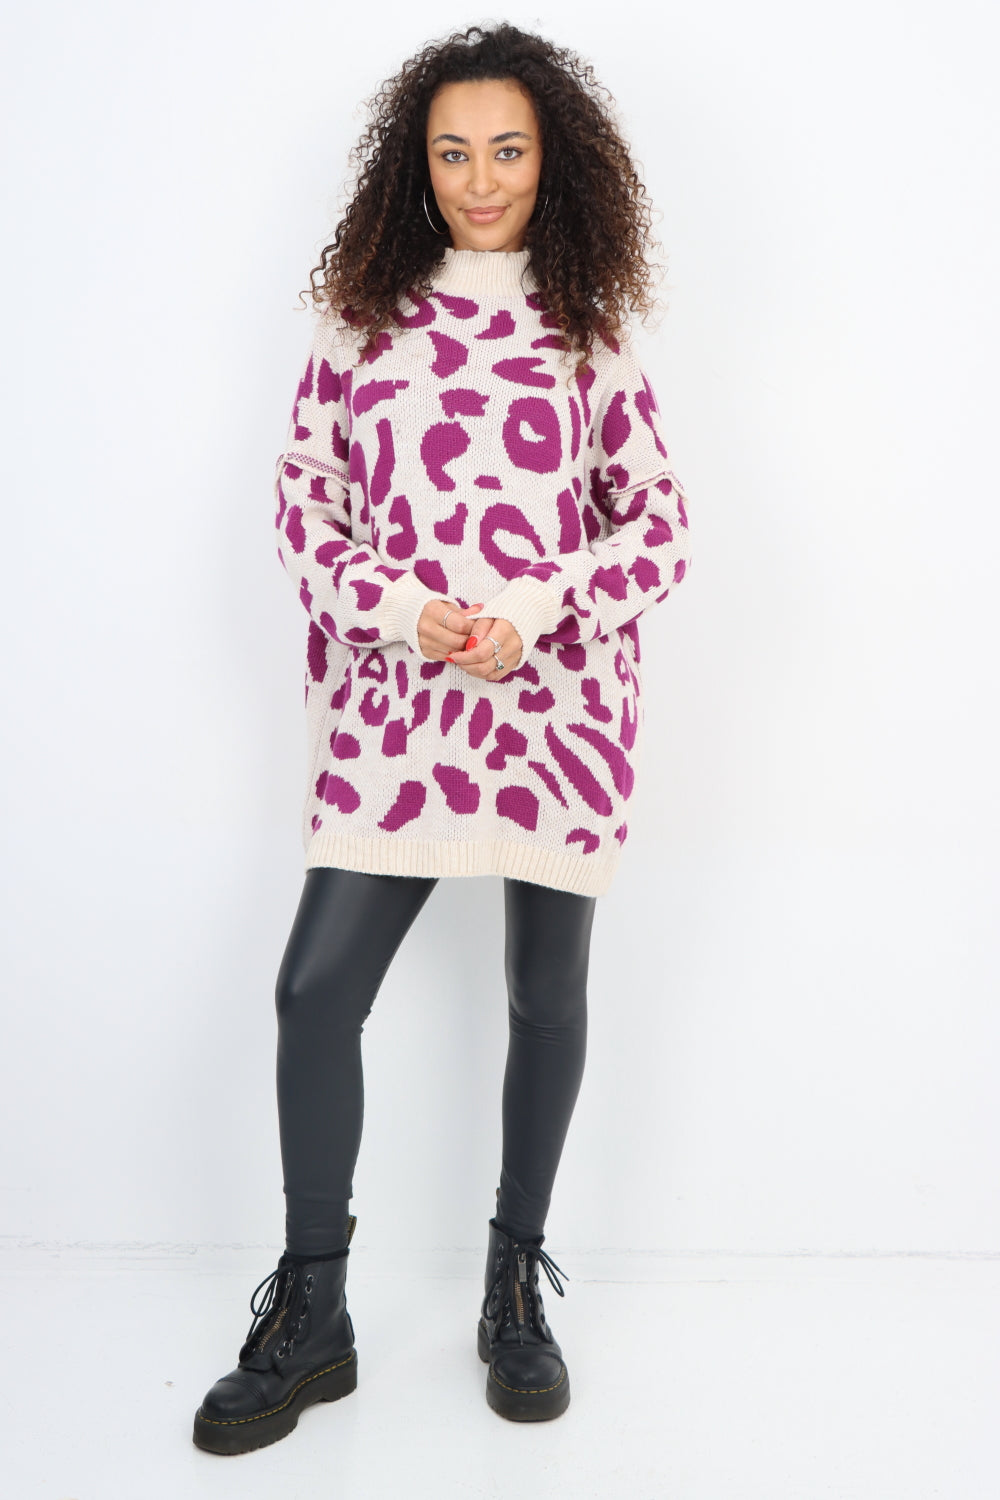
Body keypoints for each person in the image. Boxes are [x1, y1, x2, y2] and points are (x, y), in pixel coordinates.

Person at [192, 22, 691, 1454]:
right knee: (314, 994)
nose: (481, 180)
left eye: (508, 151)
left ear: (554, 162)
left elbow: (660, 530)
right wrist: (409, 612)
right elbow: (305, 508)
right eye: (454, 152)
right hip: (396, 721)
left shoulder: (590, 331)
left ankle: (512, 1288)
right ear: (416, 165)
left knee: (547, 999)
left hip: (558, 720)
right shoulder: (361, 320)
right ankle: (315, 1316)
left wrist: (535, 609)